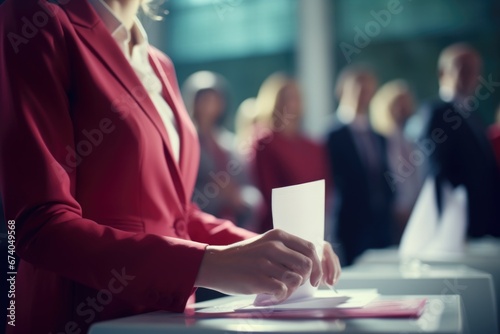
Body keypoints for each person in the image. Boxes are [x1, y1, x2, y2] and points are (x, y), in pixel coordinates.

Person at [0, 1, 341, 332]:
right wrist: (209, 263)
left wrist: (274, 253)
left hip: (166, 319)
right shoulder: (39, 19)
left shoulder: (159, 64)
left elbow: (178, 215)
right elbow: (36, 227)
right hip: (82, 319)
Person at [416, 43, 500, 238]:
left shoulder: (473, 115)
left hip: (484, 222)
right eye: (464, 68)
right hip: (459, 225)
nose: (471, 75)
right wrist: (445, 226)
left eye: (476, 70)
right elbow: (436, 173)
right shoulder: (436, 113)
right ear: (443, 72)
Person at [326, 66, 394, 265]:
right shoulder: (331, 135)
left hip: (380, 225)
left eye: (369, 89)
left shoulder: (379, 136)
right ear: (342, 91)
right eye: (358, 88)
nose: (364, 94)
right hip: (348, 226)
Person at [183, 71, 260, 229]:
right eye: (204, 100)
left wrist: (241, 198)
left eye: (214, 100)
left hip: (236, 224)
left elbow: (251, 189)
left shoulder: (231, 143)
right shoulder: (185, 143)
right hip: (200, 227)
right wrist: (218, 196)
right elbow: (182, 197)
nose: (209, 106)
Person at [252, 78, 330, 233]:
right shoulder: (266, 143)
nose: (292, 103)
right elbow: (269, 190)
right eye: (286, 97)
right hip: (278, 228)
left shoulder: (314, 147)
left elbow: (326, 186)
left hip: (313, 224)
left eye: (296, 97)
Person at [370, 80, 423, 241]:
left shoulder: (413, 138)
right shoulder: (379, 139)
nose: (402, 109)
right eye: (397, 104)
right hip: (393, 210)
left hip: (417, 207)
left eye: (405, 104)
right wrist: (399, 205)